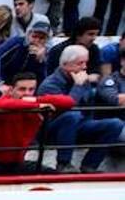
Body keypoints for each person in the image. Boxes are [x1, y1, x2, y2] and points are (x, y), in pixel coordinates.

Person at [37, 43, 125, 171]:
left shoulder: (82, 79)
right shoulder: (50, 84)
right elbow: (67, 106)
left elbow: (88, 107)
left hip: (79, 125)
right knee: (72, 115)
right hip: (53, 129)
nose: (84, 67)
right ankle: (63, 164)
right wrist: (77, 86)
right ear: (65, 64)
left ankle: (90, 166)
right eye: (80, 63)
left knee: (115, 124)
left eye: (86, 63)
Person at [0, 72, 74, 175]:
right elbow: (5, 104)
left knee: (52, 175)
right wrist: (38, 105)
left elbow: (68, 102)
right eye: (22, 89)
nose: (27, 93)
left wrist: (36, 100)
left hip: (15, 163)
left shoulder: (33, 103)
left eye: (31, 89)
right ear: (11, 90)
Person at [0, 18, 52, 109]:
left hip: (12, 90)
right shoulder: (17, 42)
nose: (37, 41)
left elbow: (40, 81)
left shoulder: (44, 54)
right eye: (34, 37)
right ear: (29, 35)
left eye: (41, 38)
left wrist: (40, 62)